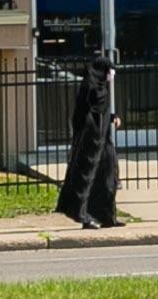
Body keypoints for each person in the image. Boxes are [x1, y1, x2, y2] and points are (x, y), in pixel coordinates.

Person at [55, 55, 121, 228]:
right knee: (86, 178)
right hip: (90, 142)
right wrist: (92, 131)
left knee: (108, 177)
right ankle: (83, 216)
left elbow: (101, 111)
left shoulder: (101, 87)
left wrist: (112, 117)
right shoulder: (90, 87)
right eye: (109, 71)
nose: (111, 75)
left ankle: (106, 216)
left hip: (103, 141)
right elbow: (86, 114)